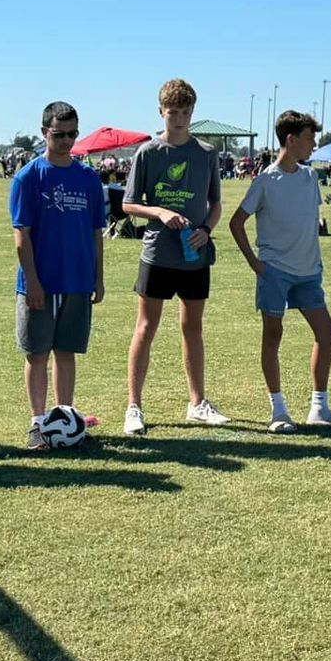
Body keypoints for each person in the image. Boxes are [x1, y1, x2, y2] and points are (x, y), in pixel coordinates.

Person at [229, 109, 331, 433]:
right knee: (273, 336)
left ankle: (319, 408)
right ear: (291, 139)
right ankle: (279, 411)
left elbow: (308, 223)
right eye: (310, 138)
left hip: (308, 273)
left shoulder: (310, 177)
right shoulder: (265, 181)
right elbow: (236, 223)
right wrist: (255, 263)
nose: (314, 144)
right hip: (275, 272)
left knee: (327, 333)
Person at [123, 78, 228, 434]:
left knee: (192, 328)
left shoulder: (206, 154)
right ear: (161, 112)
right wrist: (160, 213)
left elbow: (216, 206)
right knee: (146, 327)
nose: (179, 119)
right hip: (157, 254)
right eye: (173, 113)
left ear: (193, 113)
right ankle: (133, 406)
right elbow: (128, 204)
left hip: (194, 254)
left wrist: (207, 231)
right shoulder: (148, 153)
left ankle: (197, 402)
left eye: (185, 112)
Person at [10, 102, 107, 448]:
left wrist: (98, 276)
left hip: (78, 281)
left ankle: (65, 419)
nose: (66, 141)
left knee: (66, 352)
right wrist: (33, 281)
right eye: (59, 134)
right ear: (44, 133)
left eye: (72, 134)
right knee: (37, 354)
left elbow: (97, 232)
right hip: (40, 283)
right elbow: (21, 234)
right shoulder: (28, 177)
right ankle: (38, 423)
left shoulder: (88, 178)